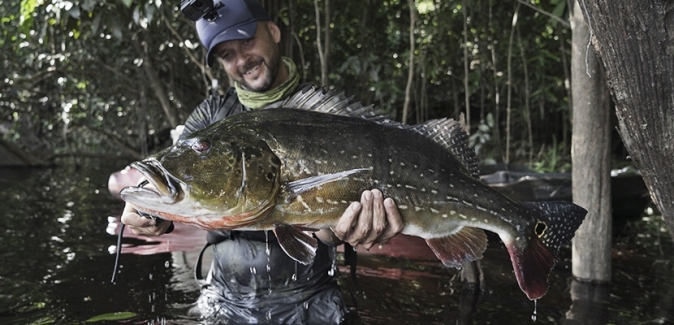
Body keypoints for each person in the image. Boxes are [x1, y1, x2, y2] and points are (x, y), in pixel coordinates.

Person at [119, 0, 403, 323]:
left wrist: (342, 229)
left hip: (313, 298)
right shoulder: (212, 117)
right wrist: (147, 208)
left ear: (274, 31)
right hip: (225, 300)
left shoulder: (325, 114)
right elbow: (181, 163)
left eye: (246, 40)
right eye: (227, 55)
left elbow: (329, 232)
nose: (242, 60)